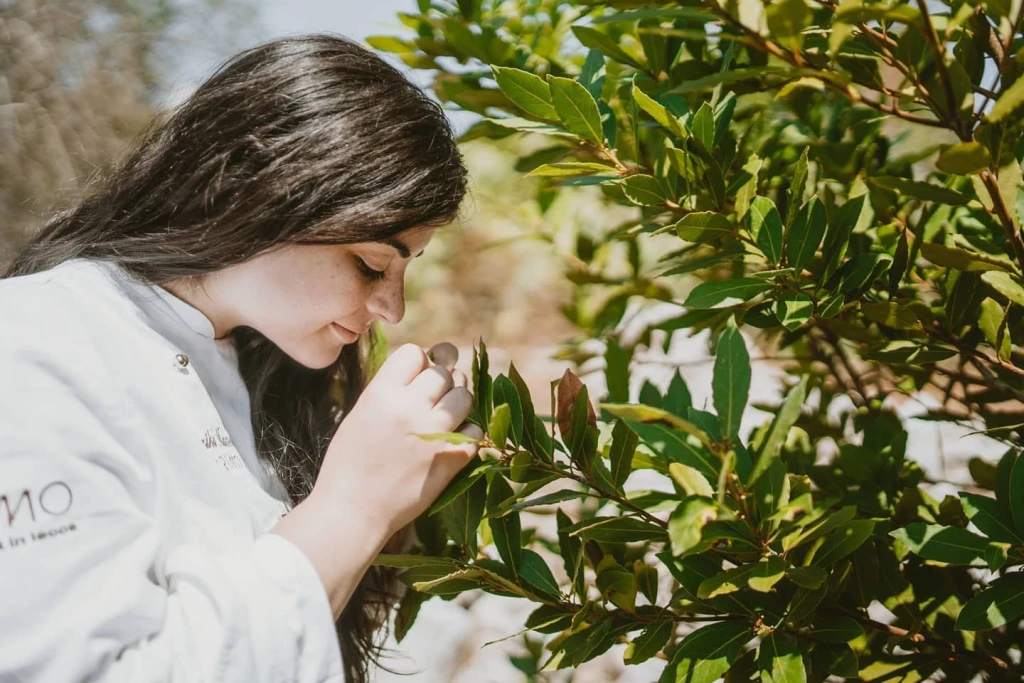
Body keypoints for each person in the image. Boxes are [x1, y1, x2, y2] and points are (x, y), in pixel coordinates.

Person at [0, 33, 483, 683]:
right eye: (371, 264)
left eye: (405, 272)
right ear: (267, 185)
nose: (392, 308)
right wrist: (354, 506)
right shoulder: (32, 349)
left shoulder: (274, 377)